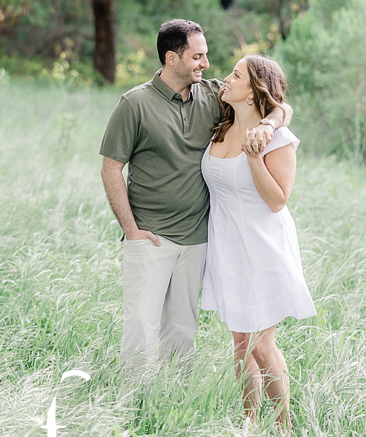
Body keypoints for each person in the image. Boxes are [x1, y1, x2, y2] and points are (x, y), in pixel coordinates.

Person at [100, 19, 284, 370]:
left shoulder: (214, 95)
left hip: (198, 239)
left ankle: (170, 407)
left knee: (182, 330)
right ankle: (131, 410)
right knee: (141, 325)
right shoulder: (134, 104)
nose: (206, 64)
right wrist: (131, 231)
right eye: (198, 56)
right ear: (172, 58)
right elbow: (111, 168)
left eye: (206, 55)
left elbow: (277, 105)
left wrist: (268, 124)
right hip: (150, 236)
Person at [201, 54, 316, 426]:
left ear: (253, 92)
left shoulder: (277, 139)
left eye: (236, 75)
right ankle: (250, 421)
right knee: (240, 343)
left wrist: (254, 158)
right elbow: (284, 107)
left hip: (263, 246)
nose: (226, 78)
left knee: (260, 344)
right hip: (227, 246)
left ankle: (284, 425)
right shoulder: (221, 126)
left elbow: (277, 200)